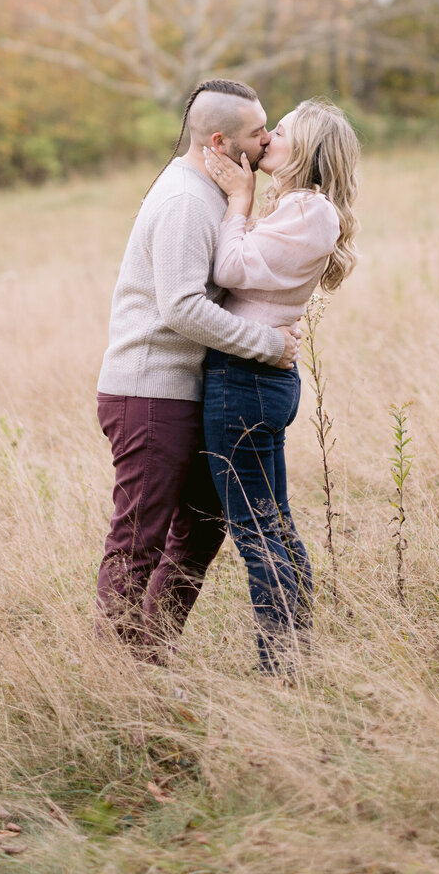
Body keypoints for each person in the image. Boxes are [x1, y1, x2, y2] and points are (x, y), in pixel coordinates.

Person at [95, 79, 301, 659]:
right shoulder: (186, 200)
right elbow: (181, 307)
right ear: (218, 140)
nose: (266, 141)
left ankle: (149, 652)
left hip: (182, 393)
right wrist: (266, 343)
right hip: (149, 393)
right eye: (257, 132)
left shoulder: (216, 191)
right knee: (139, 537)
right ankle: (112, 675)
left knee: (202, 526)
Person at [201, 98, 360, 673]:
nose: (266, 139)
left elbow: (230, 270)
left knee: (257, 530)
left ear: (307, 152)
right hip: (254, 378)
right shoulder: (298, 208)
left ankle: (283, 667)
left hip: (245, 381)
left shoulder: (311, 213)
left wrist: (238, 203)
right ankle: (292, 661)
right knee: (272, 523)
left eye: (281, 132)